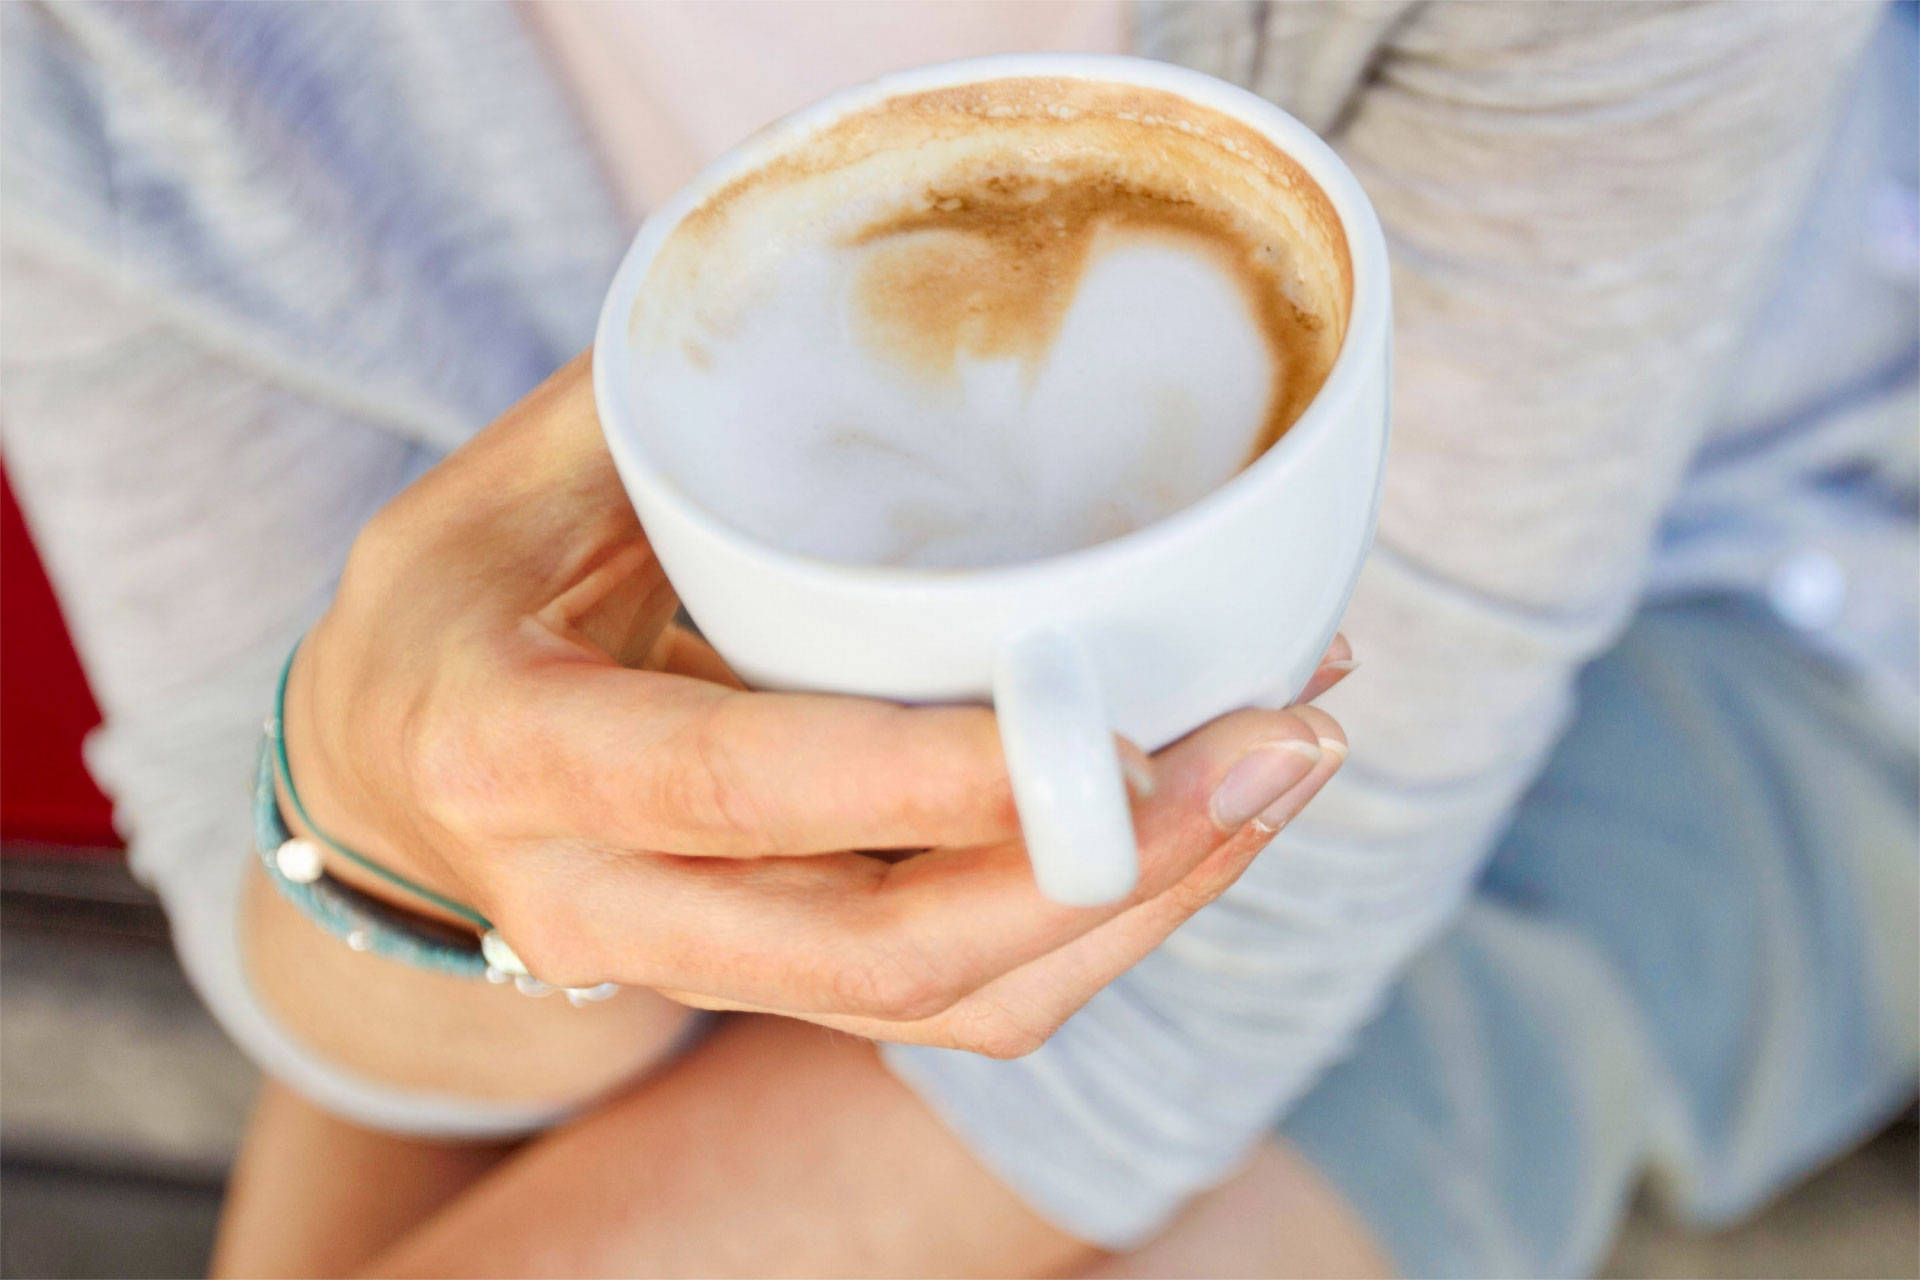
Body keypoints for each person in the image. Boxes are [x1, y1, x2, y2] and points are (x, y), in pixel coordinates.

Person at [3, 2, 1913, 1276]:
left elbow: (1225, 968)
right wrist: (394, 825)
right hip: (807, 723)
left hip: (1726, 611)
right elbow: (286, 886)